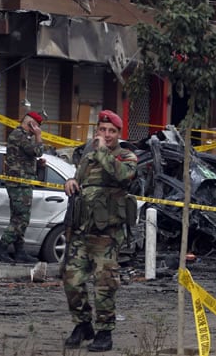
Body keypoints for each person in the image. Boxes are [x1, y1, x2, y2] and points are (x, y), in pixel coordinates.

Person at [62, 109, 137, 352]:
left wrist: (103, 150)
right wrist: (71, 182)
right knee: (72, 280)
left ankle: (105, 332)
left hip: (107, 235)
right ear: (97, 131)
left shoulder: (126, 156)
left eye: (111, 131)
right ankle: (83, 325)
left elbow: (123, 176)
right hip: (82, 231)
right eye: (102, 130)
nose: (106, 135)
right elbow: (80, 181)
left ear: (118, 134)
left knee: (104, 284)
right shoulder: (87, 156)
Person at [0, 111, 45, 264]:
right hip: (19, 183)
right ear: (32, 125)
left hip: (21, 181)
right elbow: (37, 151)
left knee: (17, 218)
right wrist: (38, 136)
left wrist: (37, 164)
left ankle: (19, 252)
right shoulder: (19, 135)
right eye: (37, 126)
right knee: (22, 220)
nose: (38, 130)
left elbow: (25, 157)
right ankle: (1, 247)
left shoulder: (21, 136)